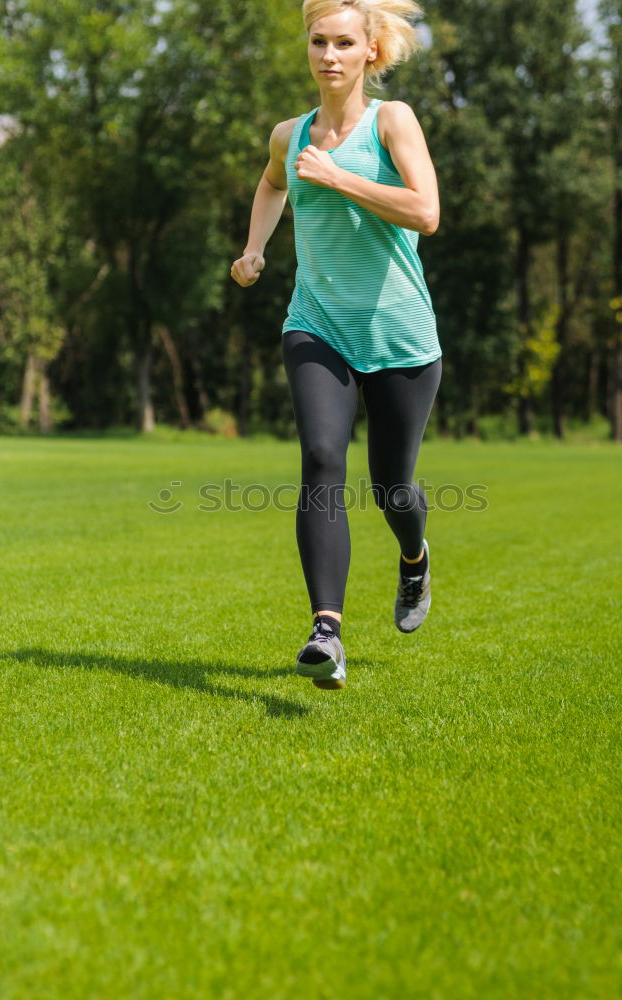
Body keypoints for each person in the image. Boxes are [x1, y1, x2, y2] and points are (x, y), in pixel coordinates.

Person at [231, 0, 442, 690]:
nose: (328, 54)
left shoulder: (393, 121)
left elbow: (426, 211)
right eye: (319, 41)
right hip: (315, 323)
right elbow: (271, 184)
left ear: (369, 52)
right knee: (322, 458)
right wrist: (255, 248)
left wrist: (341, 179)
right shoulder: (288, 136)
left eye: (343, 43)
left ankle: (414, 559)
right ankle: (327, 630)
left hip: (400, 333)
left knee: (392, 487)